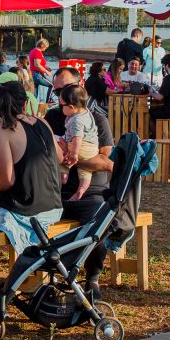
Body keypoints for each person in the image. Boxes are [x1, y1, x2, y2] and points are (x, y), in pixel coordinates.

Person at [0, 80, 63, 283]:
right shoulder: (43, 123)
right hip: (53, 205)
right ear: (25, 101)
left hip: (27, 209)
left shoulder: (3, 131)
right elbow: (61, 157)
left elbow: (8, 180)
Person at [45, 71, 114, 299]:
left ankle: (91, 277)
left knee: (100, 221)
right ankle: (42, 276)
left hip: (91, 192)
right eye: (56, 91)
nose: (61, 95)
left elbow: (106, 162)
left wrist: (72, 158)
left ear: (80, 87)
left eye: (66, 89)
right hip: (56, 190)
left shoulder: (97, 119)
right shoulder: (52, 117)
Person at [59, 85, 99, 200]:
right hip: (92, 150)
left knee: (59, 151)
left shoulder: (77, 120)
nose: (60, 107)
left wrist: (74, 154)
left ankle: (63, 177)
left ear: (71, 107)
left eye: (62, 105)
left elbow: (78, 138)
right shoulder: (85, 112)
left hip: (81, 147)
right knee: (86, 172)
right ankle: (80, 191)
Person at [29, 38, 53, 103]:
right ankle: (48, 101)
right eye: (45, 47)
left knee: (34, 94)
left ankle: (31, 107)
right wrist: (46, 71)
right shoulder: (37, 52)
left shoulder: (33, 51)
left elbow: (37, 64)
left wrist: (46, 67)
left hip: (33, 74)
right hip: (37, 74)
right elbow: (37, 65)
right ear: (42, 46)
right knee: (52, 85)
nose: (45, 49)